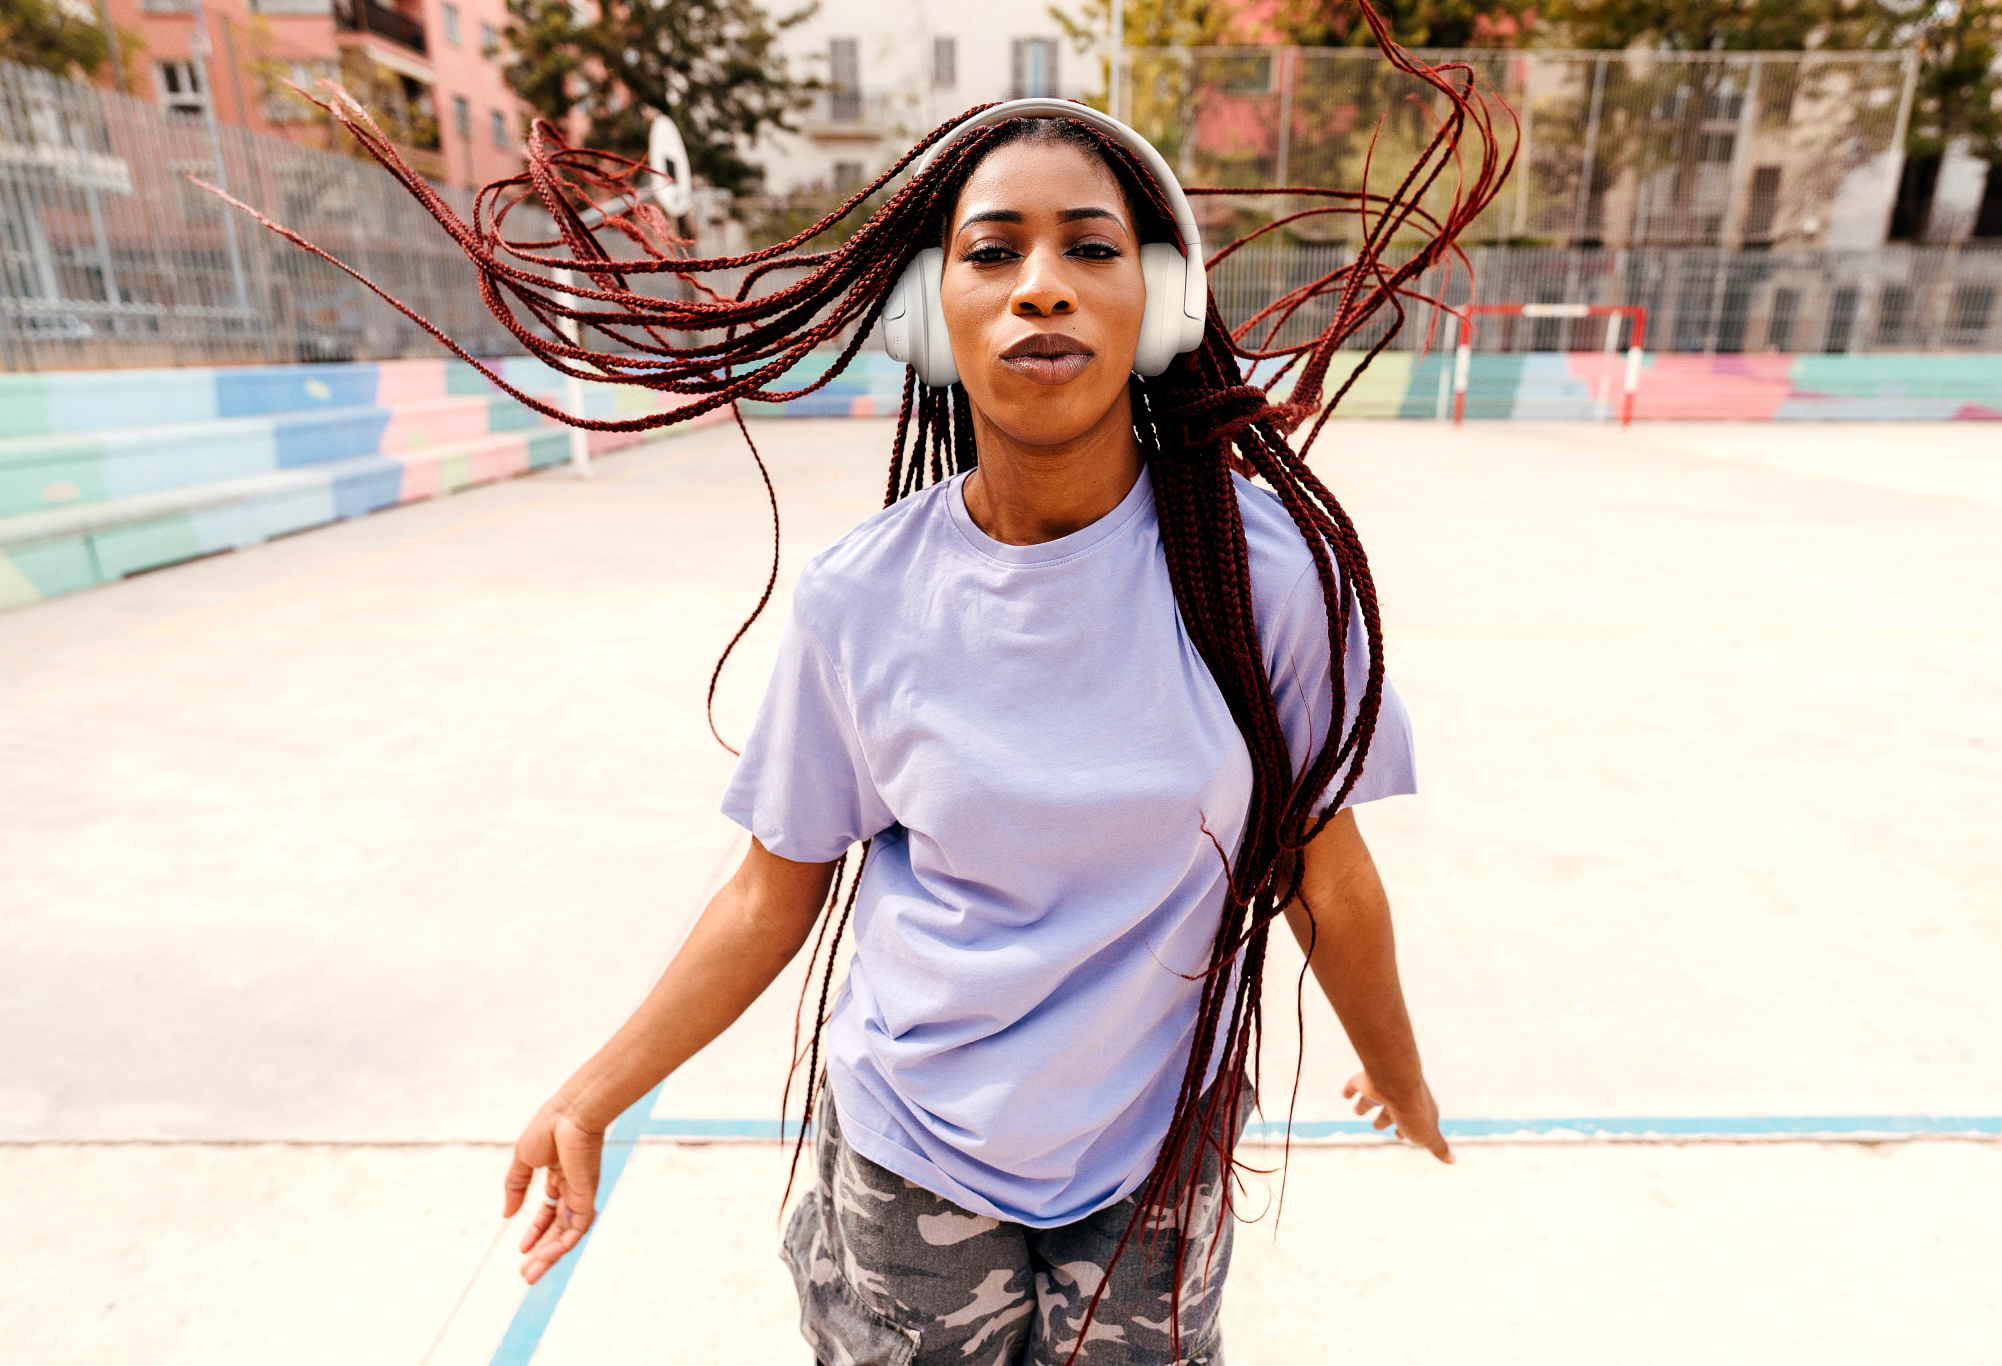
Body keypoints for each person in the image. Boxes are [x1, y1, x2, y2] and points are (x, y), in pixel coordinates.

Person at [227, 18, 1508, 1360]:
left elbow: (1326, 876)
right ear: (926, 314)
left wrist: (1401, 1073)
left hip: (1155, 1153)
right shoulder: (861, 598)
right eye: (993, 252)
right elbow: (770, 892)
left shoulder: (1267, 577)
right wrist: (593, 1090)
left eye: (1091, 248)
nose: (1042, 286)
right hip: (914, 1151)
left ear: (1164, 303)